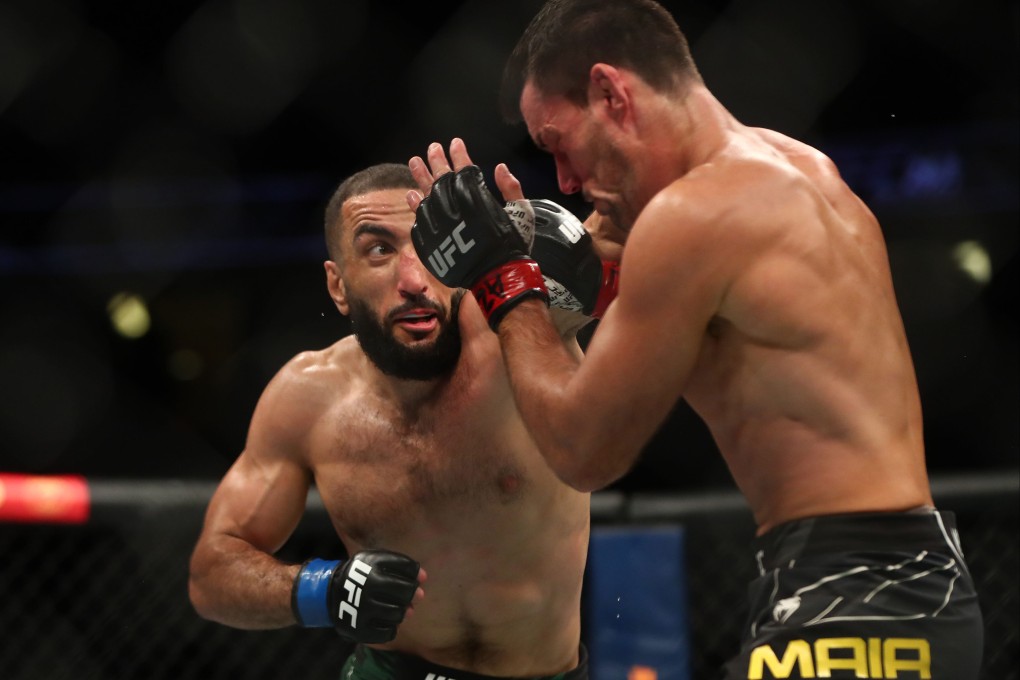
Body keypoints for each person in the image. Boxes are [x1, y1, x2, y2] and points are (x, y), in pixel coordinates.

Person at [405, 1, 985, 677]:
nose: (563, 181)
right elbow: (638, 309)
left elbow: (582, 450)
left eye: (557, 144)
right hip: (888, 585)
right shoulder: (796, 171)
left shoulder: (694, 217)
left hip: (855, 600)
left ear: (610, 94)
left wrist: (503, 278)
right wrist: (539, 262)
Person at [188, 162, 593, 679]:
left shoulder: (524, 337)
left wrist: (537, 245)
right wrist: (324, 591)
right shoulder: (308, 397)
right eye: (379, 250)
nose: (414, 280)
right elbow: (211, 575)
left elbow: (614, 260)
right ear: (338, 286)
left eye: (430, 246)